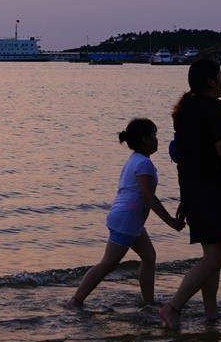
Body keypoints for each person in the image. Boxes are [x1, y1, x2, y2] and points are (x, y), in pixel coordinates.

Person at [159, 59, 221, 330]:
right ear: (210, 81)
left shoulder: (186, 110)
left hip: (195, 191)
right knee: (216, 257)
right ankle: (173, 307)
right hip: (214, 192)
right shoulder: (215, 109)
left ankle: (211, 314)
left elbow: (184, 159)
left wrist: (185, 199)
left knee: (211, 257)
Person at [67, 118, 185, 310]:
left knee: (149, 257)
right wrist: (170, 220)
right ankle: (75, 301)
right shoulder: (143, 163)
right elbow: (147, 195)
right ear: (145, 139)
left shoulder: (136, 160)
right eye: (154, 135)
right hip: (127, 219)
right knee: (108, 264)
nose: (157, 139)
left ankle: (148, 302)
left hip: (130, 219)